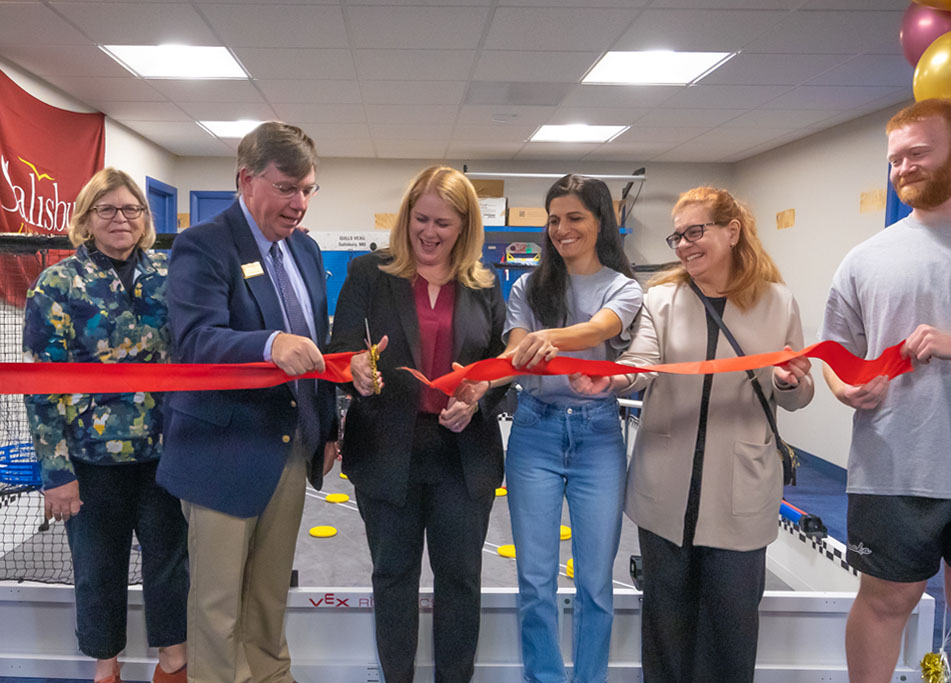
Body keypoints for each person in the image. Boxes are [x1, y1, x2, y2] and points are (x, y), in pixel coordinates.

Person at [574, 186, 813, 682]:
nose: (684, 245)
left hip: (741, 491)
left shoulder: (778, 302)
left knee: (731, 629)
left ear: (732, 231)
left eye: (695, 232)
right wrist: (611, 377)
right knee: (666, 628)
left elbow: (796, 393)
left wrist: (793, 383)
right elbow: (640, 364)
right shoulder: (661, 299)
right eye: (677, 236)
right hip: (665, 491)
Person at [820, 99, 951, 683]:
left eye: (917, 153)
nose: (903, 168)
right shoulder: (865, 258)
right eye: (895, 159)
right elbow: (834, 353)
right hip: (892, 467)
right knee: (884, 604)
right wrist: (844, 386)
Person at [157, 121, 338, 683]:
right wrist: (268, 343)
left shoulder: (305, 250)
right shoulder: (204, 245)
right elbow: (193, 341)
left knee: (268, 595)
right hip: (222, 448)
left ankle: (270, 676)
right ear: (246, 179)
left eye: (307, 189)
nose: (299, 203)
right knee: (216, 604)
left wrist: (328, 428)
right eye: (286, 188)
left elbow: (318, 347)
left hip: (290, 446)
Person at [328, 165, 506, 683]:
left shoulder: (486, 285)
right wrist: (355, 371)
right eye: (420, 219)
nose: (429, 233)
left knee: (461, 581)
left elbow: (501, 368)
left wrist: (478, 395)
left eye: (443, 224)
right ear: (406, 218)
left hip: (462, 455)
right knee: (393, 577)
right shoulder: (369, 273)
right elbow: (340, 350)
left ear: (465, 228)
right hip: (387, 451)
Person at [23, 167, 188, 683]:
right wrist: (55, 472)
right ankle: (106, 669)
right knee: (97, 570)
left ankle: (173, 664)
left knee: (172, 565)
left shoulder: (171, 273)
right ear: (87, 219)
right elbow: (40, 385)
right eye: (107, 210)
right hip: (89, 461)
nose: (121, 219)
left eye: (131, 209)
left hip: (166, 453)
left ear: (145, 218)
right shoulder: (57, 282)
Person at [501, 175, 642, 683]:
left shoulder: (622, 288)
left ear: (601, 221)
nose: (562, 229)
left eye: (575, 217)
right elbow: (514, 352)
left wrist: (543, 340)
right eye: (555, 218)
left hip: (598, 437)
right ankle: (543, 678)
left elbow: (599, 329)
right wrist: (472, 383)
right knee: (535, 580)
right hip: (534, 433)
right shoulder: (526, 287)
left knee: (594, 585)